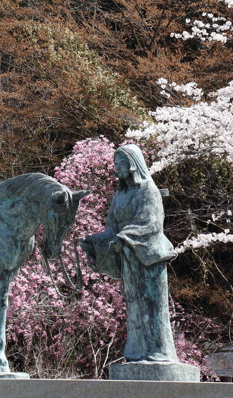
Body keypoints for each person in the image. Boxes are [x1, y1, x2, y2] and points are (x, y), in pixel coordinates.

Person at [80, 143, 177, 364]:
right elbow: (111, 228)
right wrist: (92, 242)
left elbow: (150, 224)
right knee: (134, 306)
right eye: (115, 163)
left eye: (121, 162)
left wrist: (123, 238)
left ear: (133, 164)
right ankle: (137, 352)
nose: (117, 167)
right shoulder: (119, 195)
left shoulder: (148, 190)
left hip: (148, 257)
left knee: (152, 307)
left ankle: (158, 352)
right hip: (129, 258)